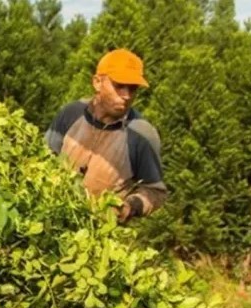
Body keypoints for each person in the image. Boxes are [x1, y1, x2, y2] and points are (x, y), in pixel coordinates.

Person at [45, 48, 167, 223]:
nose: (126, 96)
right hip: (51, 220)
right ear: (97, 83)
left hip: (98, 233)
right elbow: (43, 158)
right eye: (119, 86)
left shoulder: (142, 134)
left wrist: (131, 206)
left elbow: (156, 191)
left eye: (132, 89)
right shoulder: (71, 113)